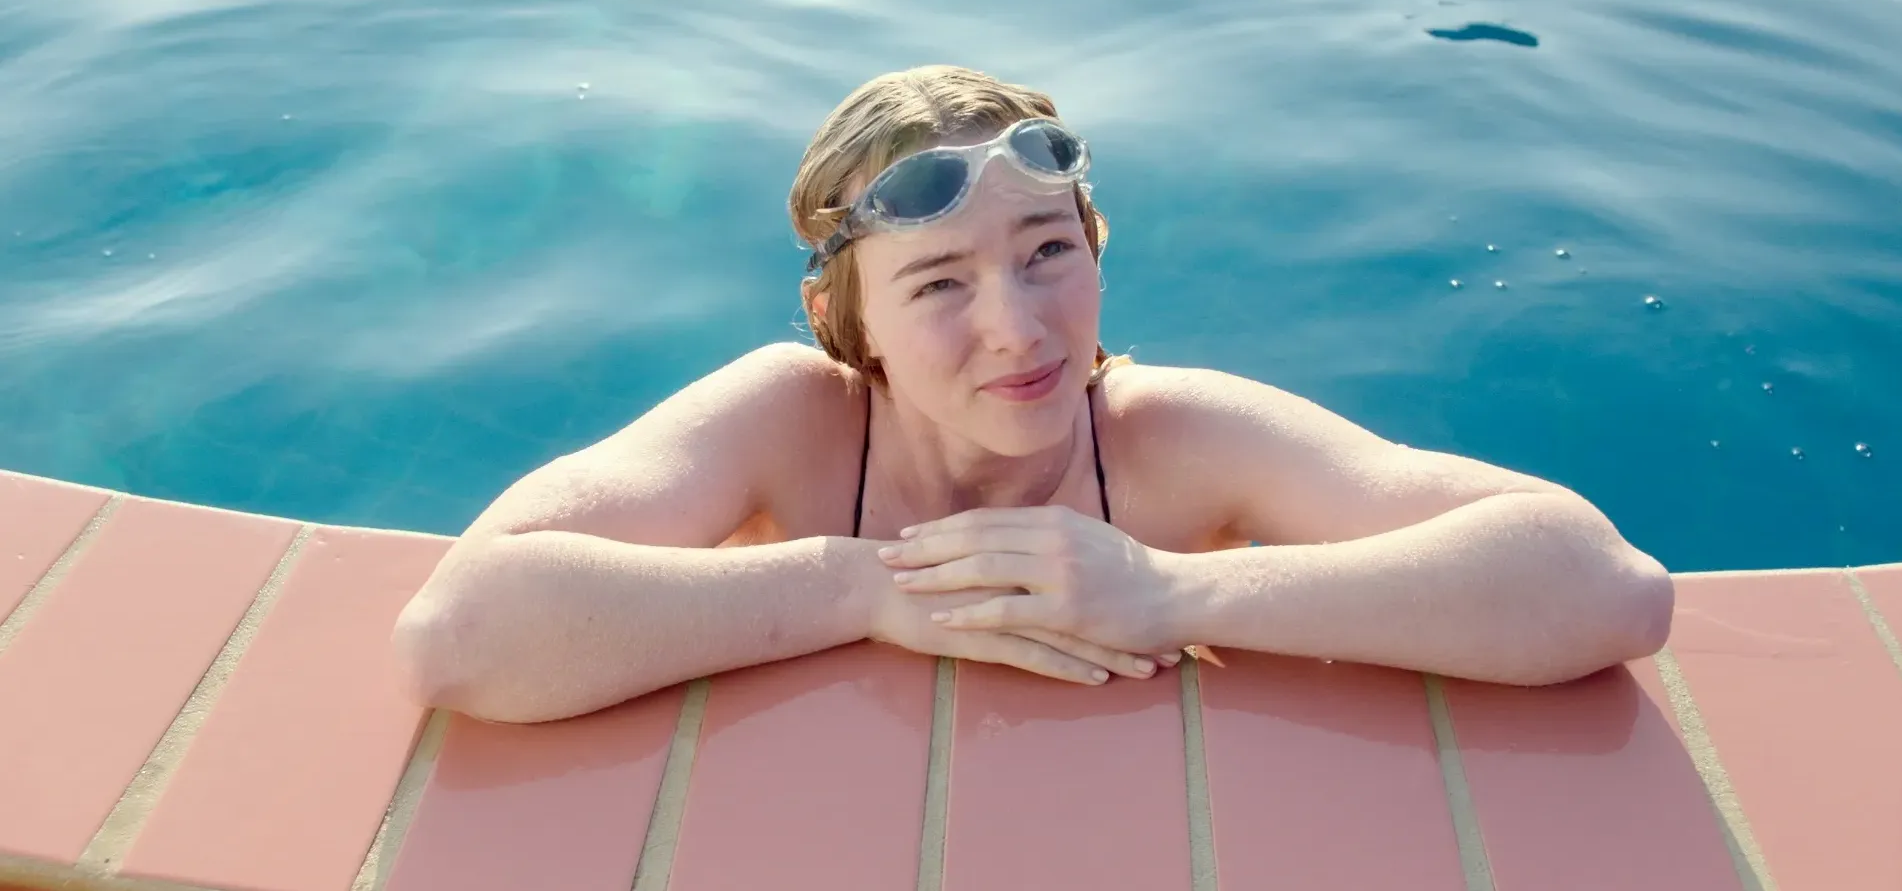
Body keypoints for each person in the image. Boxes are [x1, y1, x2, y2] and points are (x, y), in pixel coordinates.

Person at [391, 65, 1674, 725]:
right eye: (940, 281)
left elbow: (1608, 584)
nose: (1019, 327)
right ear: (854, 324)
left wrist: (1173, 589)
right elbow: (461, 634)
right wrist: (864, 587)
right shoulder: (796, 417)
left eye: (1050, 252)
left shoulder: (1171, 437)